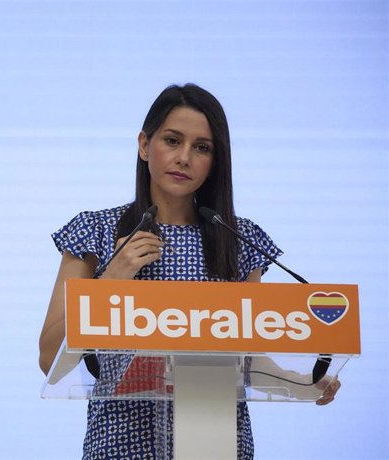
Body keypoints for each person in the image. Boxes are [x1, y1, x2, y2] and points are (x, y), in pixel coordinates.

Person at [38, 83, 341, 459]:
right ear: (144, 145)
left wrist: (305, 383)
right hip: (120, 443)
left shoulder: (239, 238)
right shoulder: (97, 231)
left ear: (215, 160)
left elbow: (249, 360)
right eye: (172, 140)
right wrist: (111, 280)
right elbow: (49, 356)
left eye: (202, 147)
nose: (184, 157)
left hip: (215, 443)